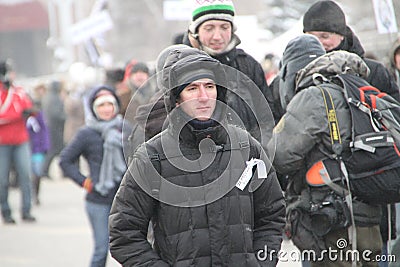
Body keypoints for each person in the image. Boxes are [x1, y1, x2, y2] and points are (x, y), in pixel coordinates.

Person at [109, 46, 286, 267]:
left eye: (209, 87)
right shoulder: (152, 156)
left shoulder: (247, 147)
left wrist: (260, 263)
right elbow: (123, 233)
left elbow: (272, 215)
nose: (203, 97)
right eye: (192, 88)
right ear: (176, 99)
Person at [268, 47, 383, 266]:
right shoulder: (362, 92)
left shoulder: (313, 95)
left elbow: (280, 156)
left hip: (331, 221)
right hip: (369, 217)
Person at [183, 0, 275, 144]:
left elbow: (267, 117)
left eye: (224, 27)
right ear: (196, 31)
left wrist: (260, 152)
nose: (217, 36)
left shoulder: (248, 66)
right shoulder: (179, 67)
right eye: (209, 28)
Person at [59, 85, 128, 267]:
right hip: (98, 199)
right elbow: (65, 160)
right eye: (101, 105)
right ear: (94, 109)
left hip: (125, 199)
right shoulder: (86, 133)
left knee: (131, 250)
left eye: (110, 104)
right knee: (101, 250)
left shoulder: (125, 128)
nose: (106, 109)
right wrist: (85, 182)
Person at [302, 0, 400, 101]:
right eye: (312, 37)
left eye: (325, 36)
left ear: (341, 36)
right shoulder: (298, 73)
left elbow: (394, 110)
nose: (318, 42)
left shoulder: (373, 72)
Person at [0, 59, 36, 224]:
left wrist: (28, 111)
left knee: (25, 175)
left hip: (21, 140)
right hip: (2, 143)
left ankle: (26, 210)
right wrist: (16, 115)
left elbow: (29, 108)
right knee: (2, 179)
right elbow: (12, 113)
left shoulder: (18, 91)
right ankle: (6, 212)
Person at [27, 83, 50, 205]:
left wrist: (45, 146)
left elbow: (44, 131)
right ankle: (29, 195)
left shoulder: (39, 117)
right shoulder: (24, 119)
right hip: (27, 148)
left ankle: (35, 194)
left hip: (38, 149)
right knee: (28, 173)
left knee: (37, 173)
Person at [42, 80, 66, 178]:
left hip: (51, 128)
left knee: (55, 151)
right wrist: (64, 117)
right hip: (55, 129)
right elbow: (56, 114)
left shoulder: (48, 97)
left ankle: (46, 171)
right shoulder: (54, 98)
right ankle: (45, 171)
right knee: (55, 150)